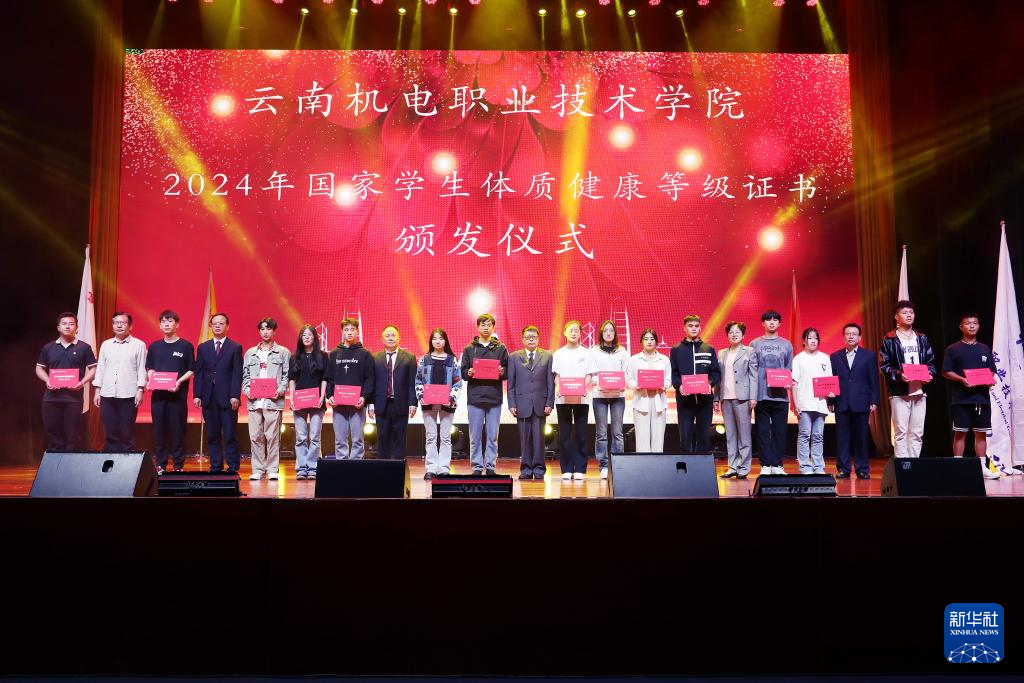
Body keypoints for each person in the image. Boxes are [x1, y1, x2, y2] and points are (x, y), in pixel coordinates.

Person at [942, 312, 1000, 480]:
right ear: (961, 327)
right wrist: (962, 379)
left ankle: (982, 467)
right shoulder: (953, 349)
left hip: (982, 399)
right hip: (961, 399)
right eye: (968, 323)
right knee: (960, 433)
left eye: (975, 323)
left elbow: (991, 371)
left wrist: (989, 379)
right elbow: (946, 371)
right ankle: (957, 468)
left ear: (979, 326)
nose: (972, 325)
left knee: (981, 434)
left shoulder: (984, 349)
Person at [879, 300, 936, 459]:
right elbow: (884, 366)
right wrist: (899, 375)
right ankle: (903, 466)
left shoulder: (921, 338)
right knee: (901, 432)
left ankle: (914, 464)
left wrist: (930, 374)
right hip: (899, 392)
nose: (909, 315)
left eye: (911, 312)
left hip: (919, 391)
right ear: (896, 317)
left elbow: (931, 362)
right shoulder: (889, 339)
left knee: (917, 432)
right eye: (904, 313)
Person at [35, 312, 97, 452]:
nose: (67, 327)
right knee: (53, 435)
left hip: (73, 399)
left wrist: (82, 382)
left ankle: (70, 465)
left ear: (77, 328)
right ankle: (55, 464)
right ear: (58, 327)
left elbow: (94, 369)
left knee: (72, 437)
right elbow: (39, 368)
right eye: (64, 324)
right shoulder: (48, 347)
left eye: (71, 324)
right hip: (51, 399)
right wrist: (47, 380)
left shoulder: (84, 347)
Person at [193, 313, 244, 474]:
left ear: (227, 326)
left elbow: (237, 373)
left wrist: (235, 395)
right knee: (212, 434)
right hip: (208, 397)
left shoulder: (235, 347)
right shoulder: (203, 347)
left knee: (230, 434)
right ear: (210, 326)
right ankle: (216, 466)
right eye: (214, 323)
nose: (217, 326)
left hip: (228, 397)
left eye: (221, 323)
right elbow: (199, 372)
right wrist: (197, 394)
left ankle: (233, 467)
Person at [242, 317, 290, 481]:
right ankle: (258, 469)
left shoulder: (283, 352)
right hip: (254, 401)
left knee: (272, 436)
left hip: (273, 401)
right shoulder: (250, 353)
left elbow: (286, 375)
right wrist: (247, 390)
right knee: (255, 436)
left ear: (274, 331)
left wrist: (280, 390)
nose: (265, 332)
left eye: (268, 329)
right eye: (262, 329)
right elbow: (245, 376)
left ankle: (272, 469)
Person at [828, 323, 879, 479]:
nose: (851, 336)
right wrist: (830, 400)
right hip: (841, 401)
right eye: (848, 334)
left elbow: (873, 380)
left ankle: (862, 469)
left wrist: (874, 400)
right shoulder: (835, 356)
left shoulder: (869, 356)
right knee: (842, 438)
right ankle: (843, 469)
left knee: (862, 437)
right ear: (843, 337)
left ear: (859, 337)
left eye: (854, 334)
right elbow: (832, 379)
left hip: (862, 401)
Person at [146, 310, 194, 473]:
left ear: (177, 324)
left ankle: (178, 465)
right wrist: (151, 379)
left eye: (170, 321)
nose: (166, 324)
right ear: (160, 325)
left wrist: (178, 381)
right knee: (159, 431)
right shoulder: (154, 346)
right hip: (158, 397)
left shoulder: (186, 346)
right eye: (163, 321)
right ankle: (161, 464)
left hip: (177, 397)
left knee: (178, 431)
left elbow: (191, 369)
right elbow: (150, 368)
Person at [460, 313, 509, 476]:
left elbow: (507, 371)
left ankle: (490, 466)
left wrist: (502, 371)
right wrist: (469, 372)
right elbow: (463, 372)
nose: (486, 328)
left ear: (493, 327)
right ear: (478, 327)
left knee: (492, 435)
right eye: (483, 325)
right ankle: (476, 466)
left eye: (489, 325)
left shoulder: (501, 348)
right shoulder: (469, 348)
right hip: (475, 397)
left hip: (494, 397)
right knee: (475, 436)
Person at [92, 311, 147, 452]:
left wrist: (140, 390)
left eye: (123, 323)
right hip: (107, 394)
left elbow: (142, 369)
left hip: (129, 395)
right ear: (112, 325)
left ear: (130, 326)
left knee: (127, 433)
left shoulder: (139, 345)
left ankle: (127, 462)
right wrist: (97, 391)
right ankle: (111, 462)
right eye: (116, 323)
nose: (119, 325)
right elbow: (101, 368)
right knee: (110, 432)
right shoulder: (106, 345)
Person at [507, 325, 555, 481]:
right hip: (521, 403)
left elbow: (550, 382)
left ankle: (539, 469)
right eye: (528, 337)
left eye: (534, 337)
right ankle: (526, 469)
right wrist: (511, 403)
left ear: (538, 338)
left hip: (541, 403)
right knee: (525, 439)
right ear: (523, 340)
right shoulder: (514, 357)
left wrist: (549, 402)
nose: (531, 339)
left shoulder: (547, 356)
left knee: (539, 439)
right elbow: (511, 383)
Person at [414, 328, 462, 479]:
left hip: (447, 404)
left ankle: (444, 469)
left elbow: (457, 382)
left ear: (445, 341)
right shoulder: (424, 359)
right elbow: (418, 380)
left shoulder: (452, 360)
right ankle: (431, 468)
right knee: (431, 436)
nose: (438, 341)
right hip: (428, 404)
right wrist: (421, 395)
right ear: (431, 341)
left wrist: (451, 398)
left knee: (446, 437)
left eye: (441, 338)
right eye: (434, 338)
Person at [670, 314, 721, 454]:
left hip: (705, 402)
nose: (693, 328)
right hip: (684, 402)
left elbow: (716, 373)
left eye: (696, 326)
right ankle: (687, 466)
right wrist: (680, 386)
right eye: (690, 326)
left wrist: (710, 384)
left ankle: (701, 466)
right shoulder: (676, 349)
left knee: (704, 437)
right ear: (684, 328)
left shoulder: (709, 348)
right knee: (685, 437)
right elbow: (673, 373)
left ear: (700, 328)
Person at [751, 310, 794, 475]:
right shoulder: (754, 344)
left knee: (779, 432)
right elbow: (752, 369)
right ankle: (765, 464)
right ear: (763, 323)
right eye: (768, 320)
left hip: (780, 396)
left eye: (775, 320)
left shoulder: (786, 344)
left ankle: (777, 464)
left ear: (779, 323)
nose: (771, 322)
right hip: (761, 394)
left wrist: (787, 380)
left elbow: (789, 368)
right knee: (762, 432)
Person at [325, 317, 375, 460]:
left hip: (358, 404)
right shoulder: (334, 354)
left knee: (358, 439)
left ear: (357, 331)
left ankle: (355, 466)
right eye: (346, 329)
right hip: (338, 405)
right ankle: (342, 466)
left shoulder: (365, 354)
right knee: (340, 439)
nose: (349, 332)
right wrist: (330, 396)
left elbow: (369, 378)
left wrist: (364, 397)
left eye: (352, 329)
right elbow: (329, 377)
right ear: (342, 332)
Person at [714, 321, 757, 479]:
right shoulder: (721, 353)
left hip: (743, 398)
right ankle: (732, 466)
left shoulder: (749, 351)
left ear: (743, 335)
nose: (734, 335)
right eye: (731, 332)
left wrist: (753, 396)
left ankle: (744, 467)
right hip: (726, 398)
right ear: (727, 335)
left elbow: (753, 376)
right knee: (730, 435)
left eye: (737, 332)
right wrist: (716, 398)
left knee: (744, 435)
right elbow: (718, 378)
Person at [369, 325, 417, 460]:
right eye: (387, 336)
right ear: (382, 339)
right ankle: (383, 468)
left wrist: (413, 403)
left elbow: (412, 382)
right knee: (382, 438)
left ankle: (399, 468)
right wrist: (370, 403)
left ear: (399, 338)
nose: (391, 338)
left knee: (400, 438)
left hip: (401, 404)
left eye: (393, 335)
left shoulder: (409, 358)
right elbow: (372, 382)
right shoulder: (375, 358)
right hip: (381, 404)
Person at [552, 320, 592, 480]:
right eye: (571, 330)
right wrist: (559, 387)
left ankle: (580, 468)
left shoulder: (587, 353)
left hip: (582, 398)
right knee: (565, 434)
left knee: (581, 434)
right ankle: (567, 468)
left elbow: (589, 374)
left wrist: (584, 387)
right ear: (565, 333)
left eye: (576, 330)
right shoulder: (559, 353)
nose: (574, 333)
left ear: (580, 334)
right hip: (563, 399)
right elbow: (556, 375)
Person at [589, 320, 628, 479]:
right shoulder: (594, 352)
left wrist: (621, 383)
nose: (608, 333)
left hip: (618, 396)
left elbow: (626, 373)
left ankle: (618, 464)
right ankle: (604, 465)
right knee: (601, 433)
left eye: (611, 330)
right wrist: (602, 381)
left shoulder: (622, 351)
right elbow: (591, 375)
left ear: (615, 333)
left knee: (617, 432)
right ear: (601, 333)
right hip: (600, 396)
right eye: (605, 331)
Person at [791, 327, 833, 475]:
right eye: (810, 338)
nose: (813, 341)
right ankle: (804, 466)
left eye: (815, 338)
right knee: (804, 435)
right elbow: (794, 383)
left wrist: (831, 393)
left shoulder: (825, 358)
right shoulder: (798, 358)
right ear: (804, 341)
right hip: (804, 403)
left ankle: (818, 466)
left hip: (820, 403)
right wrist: (796, 404)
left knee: (818, 436)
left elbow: (829, 380)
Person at [289, 324, 328, 480]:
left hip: (317, 401)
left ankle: (312, 467)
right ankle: (302, 467)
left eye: (309, 335)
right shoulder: (294, 357)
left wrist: (322, 396)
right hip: (299, 401)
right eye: (304, 335)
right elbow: (292, 379)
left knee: (315, 436)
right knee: (300, 437)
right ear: (300, 338)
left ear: (314, 338)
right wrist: (292, 398)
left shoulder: (323, 356)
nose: (306, 337)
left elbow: (325, 378)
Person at [627, 328, 672, 452]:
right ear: (641, 341)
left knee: (658, 437)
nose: (649, 341)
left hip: (659, 401)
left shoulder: (664, 360)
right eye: (646, 339)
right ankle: (643, 462)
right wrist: (636, 385)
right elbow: (629, 379)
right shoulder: (634, 360)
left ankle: (657, 462)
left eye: (652, 339)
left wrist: (664, 386)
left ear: (656, 341)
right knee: (642, 438)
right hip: (641, 400)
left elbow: (668, 379)